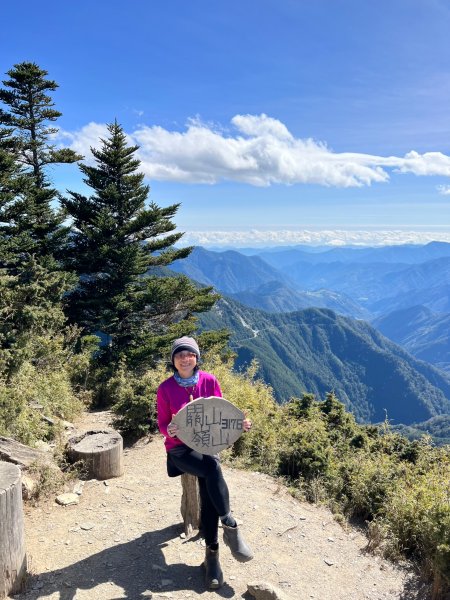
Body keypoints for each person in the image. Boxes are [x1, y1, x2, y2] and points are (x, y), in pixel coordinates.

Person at [156, 336, 254, 590]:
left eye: (189, 354)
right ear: (173, 360)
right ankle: (230, 525)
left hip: (208, 447)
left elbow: (221, 413)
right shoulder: (165, 388)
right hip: (180, 451)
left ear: (197, 358)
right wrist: (172, 430)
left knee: (209, 482)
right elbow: (162, 424)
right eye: (179, 355)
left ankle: (212, 555)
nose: (184, 358)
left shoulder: (209, 380)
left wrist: (238, 425)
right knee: (212, 469)